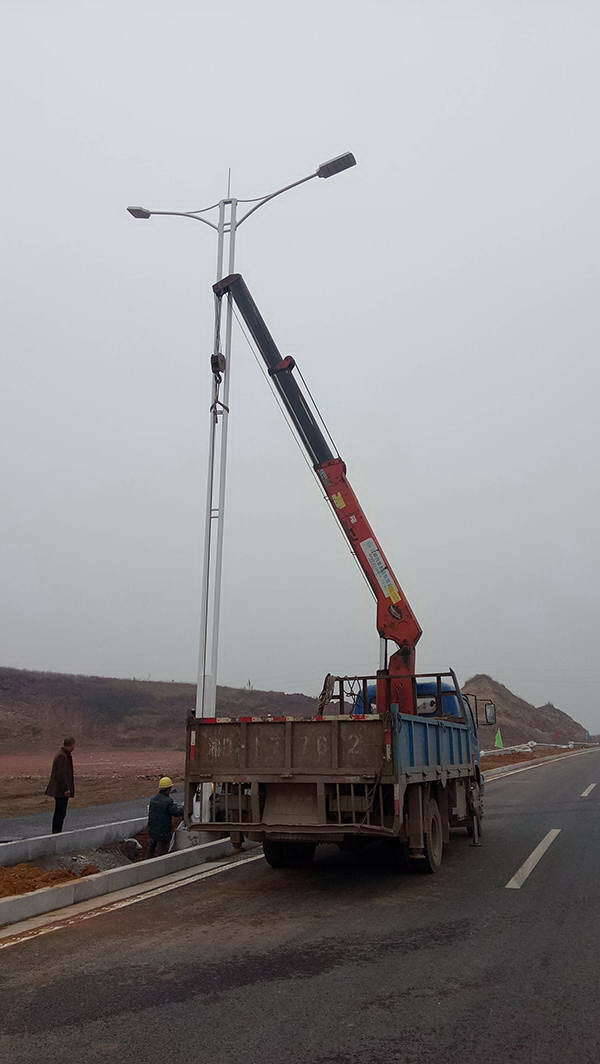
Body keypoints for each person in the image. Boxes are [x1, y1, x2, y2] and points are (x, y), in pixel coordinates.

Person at [146, 776, 183, 858]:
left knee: (151, 849)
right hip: (163, 832)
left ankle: (147, 862)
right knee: (162, 853)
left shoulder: (153, 799)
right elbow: (176, 812)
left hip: (152, 830)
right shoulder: (168, 801)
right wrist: (184, 808)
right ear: (168, 789)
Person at [45, 737, 76, 833]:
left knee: (61, 813)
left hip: (61, 790)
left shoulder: (64, 755)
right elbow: (61, 774)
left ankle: (57, 832)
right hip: (60, 790)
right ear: (71, 744)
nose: (74, 747)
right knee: (60, 813)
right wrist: (65, 788)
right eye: (74, 744)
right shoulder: (62, 756)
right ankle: (56, 833)